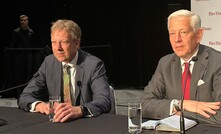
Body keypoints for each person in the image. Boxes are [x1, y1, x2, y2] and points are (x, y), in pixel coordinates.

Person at [17, 19, 111, 122]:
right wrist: (41, 106)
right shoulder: (49, 63)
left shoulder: (93, 65)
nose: (58, 48)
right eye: (54, 42)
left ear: (77, 43)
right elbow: (25, 96)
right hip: (58, 124)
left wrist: (79, 110)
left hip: (86, 124)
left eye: (63, 42)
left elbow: (104, 101)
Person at [141, 9, 221, 125]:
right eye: (172, 33)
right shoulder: (165, 63)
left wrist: (182, 112)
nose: (177, 39)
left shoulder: (217, 62)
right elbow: (144, 105)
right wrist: (180, 104)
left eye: (183, 32)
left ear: (198, 35)